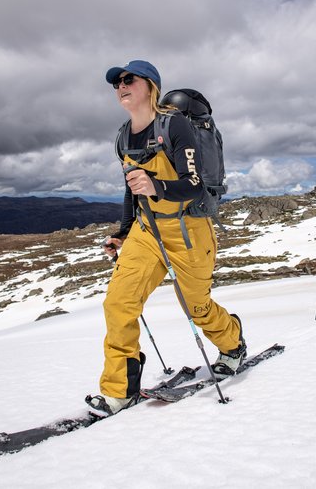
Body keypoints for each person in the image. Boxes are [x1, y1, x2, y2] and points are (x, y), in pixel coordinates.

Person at [86, 60, 246, 417]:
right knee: (118, 303)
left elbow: (194, 184)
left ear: (151, 86)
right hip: (147, 231)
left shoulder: (173, 126)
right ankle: (119, 390)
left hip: (188, 228)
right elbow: (131, 190)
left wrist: (155, 184)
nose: (121, 86)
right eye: (117, 83)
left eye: (129, 80)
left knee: (197, 307)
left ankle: (233, 344)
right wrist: (124, 232)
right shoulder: (123, 136)